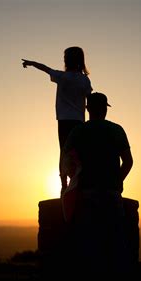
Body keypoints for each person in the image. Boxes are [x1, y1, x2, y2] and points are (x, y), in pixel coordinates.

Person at [62, 92, 133, 275]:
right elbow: (128, 161)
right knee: (115, 241)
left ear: (88, 109)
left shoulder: (78, 131)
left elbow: (65, 162)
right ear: (105, 110)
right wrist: (118, 180)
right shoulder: (117, 130)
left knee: (88, 242)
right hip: (111, 193)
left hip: (85, 194)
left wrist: (66, 185)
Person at [22, 47, 93, 194]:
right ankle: (78, 183)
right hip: (79, 121)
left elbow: (45, 69)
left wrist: (31, 62)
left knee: (64, 151)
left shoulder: (62, 77)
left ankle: (64, 185)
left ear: (67, 61)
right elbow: (89, 99)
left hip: (64, 121)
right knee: (79, 152)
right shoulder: (84, 80)